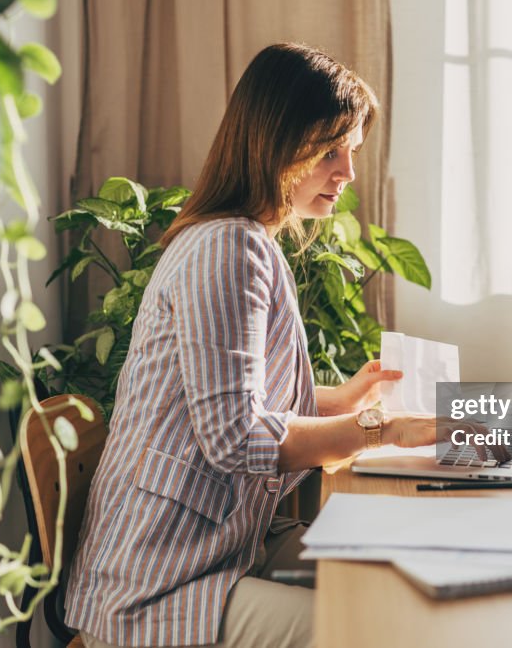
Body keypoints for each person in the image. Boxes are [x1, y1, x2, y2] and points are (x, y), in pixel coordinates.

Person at [64, 43, 448, 648]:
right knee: (382, 625)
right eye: (330, 151)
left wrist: (339, 400)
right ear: (276, 143)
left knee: (401, 575)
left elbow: (225, 401)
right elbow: (235, 437)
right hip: (161, 584)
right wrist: (381, 429)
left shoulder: (240, 241)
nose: (347, 173)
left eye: (351, 152)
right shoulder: (228, 249)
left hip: (216, 549)